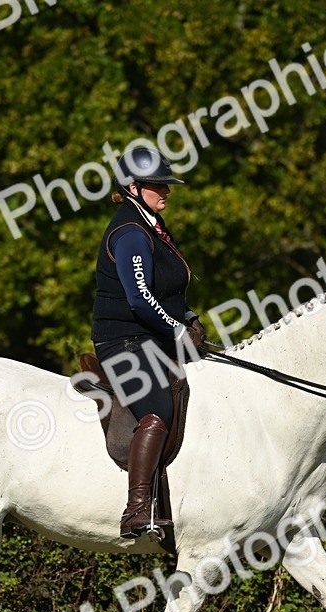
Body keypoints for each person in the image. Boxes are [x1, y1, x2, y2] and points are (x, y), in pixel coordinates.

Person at [91, 146, 207, 538]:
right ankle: (137, 509)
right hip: (122, 339)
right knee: (157, 409)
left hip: (151, 335)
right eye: (159, 184)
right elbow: (140, 298)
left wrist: (188, 318)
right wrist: (175, 328)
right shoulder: (129, 233)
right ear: (133, 187)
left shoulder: (152, 224)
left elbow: (168, 289)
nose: (167, 191)